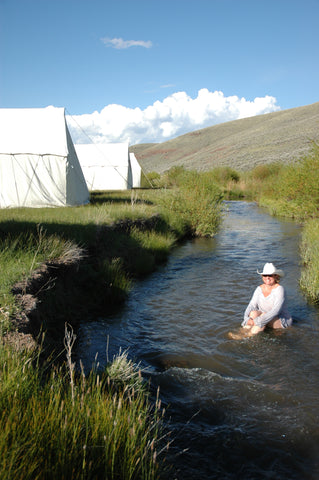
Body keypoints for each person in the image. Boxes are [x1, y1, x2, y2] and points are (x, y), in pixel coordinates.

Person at [228, 262, 292, 339]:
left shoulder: (280, 289)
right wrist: (247, 319)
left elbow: (276, 311)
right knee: (253, 313)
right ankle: (242, 332)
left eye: (270, 275)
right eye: (265, 275)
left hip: (280, 320)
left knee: (262, 315)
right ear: (262, 276)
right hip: (264, 316)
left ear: (276, 276)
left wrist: (258, 321)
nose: (267, 277)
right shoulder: (259, 289)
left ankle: (246, 336)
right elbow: (251, 305)